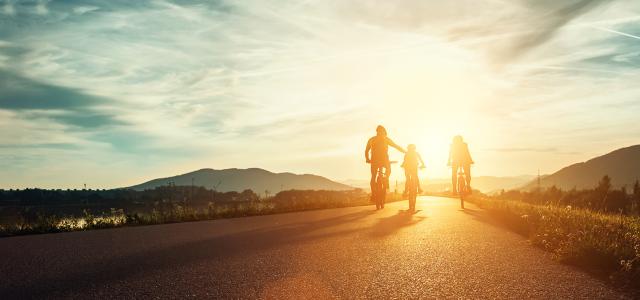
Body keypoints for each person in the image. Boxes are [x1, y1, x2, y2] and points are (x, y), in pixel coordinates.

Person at [365, 125, 406, 193]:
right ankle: (386, 180)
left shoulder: (371, 139)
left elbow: (366, 150)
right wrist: (405, 152)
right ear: (383, 132)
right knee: (388, 171)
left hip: (374, 160)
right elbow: (396, 146)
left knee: (373, 176)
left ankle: (373, 194)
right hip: (384, 160)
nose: (381, 133)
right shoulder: (386, 139)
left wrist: (367, 159)